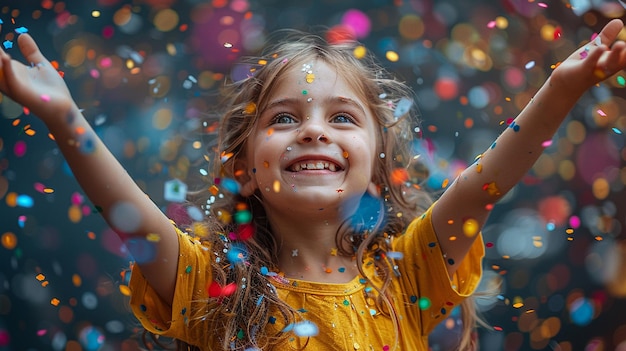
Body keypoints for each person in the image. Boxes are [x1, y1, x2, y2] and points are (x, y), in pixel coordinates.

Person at [1, 17, 625, 351]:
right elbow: (127, 211)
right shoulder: (212, 287)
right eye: (283, 119)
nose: (313, 132)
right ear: (244, 167)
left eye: (343, 118)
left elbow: (485, 181)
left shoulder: (407, 277)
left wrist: (563, 87)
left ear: (379, 166)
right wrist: (64, 116)